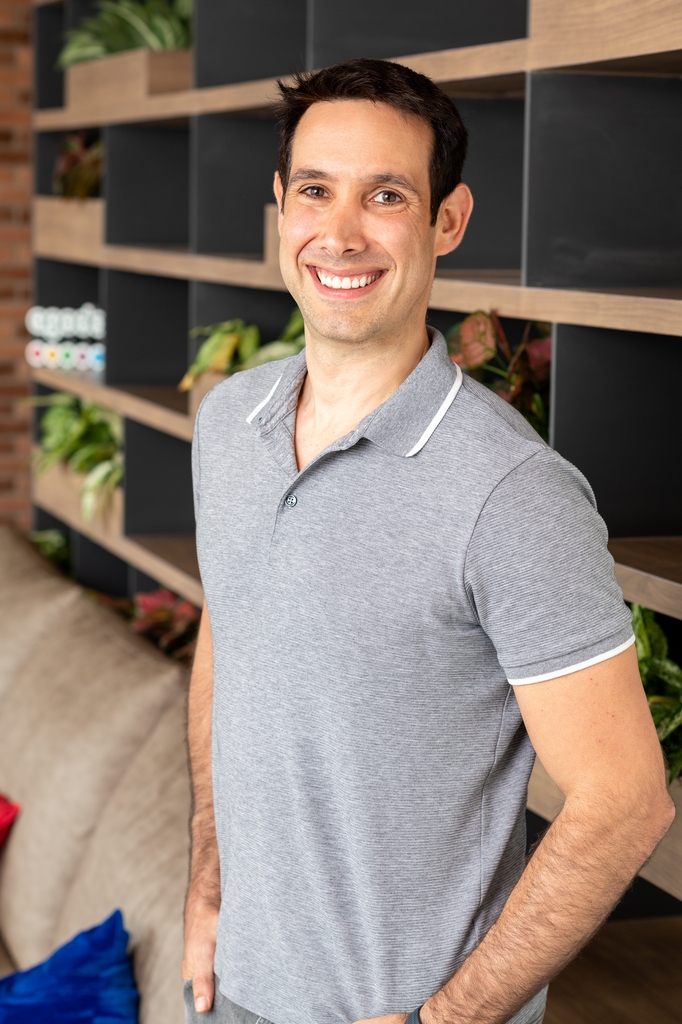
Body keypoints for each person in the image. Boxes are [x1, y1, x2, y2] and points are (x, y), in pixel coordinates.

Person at [183, 58, 673, 1024]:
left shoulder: (512, 493)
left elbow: (626, 802)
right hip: (233, 986)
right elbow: (227, 636)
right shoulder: (228, 423)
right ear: (280, 204)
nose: (341, 233)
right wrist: (208, 886)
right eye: (315, 190)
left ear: (448, 220)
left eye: (387, 196)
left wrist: (447, 1018)